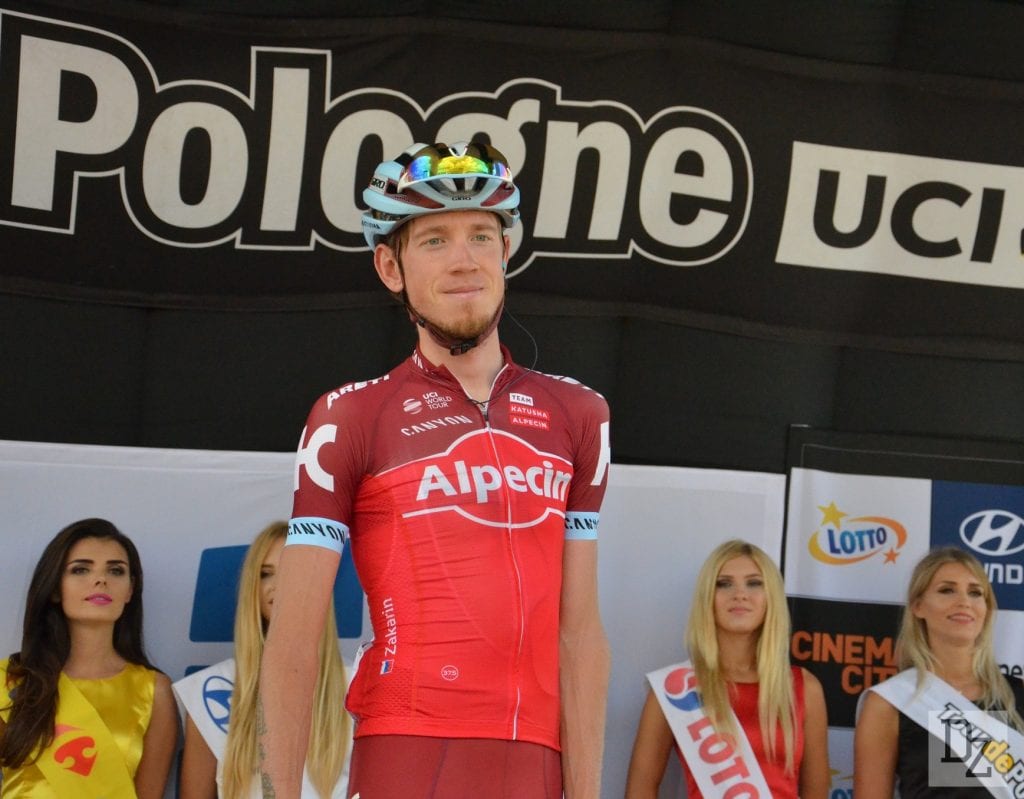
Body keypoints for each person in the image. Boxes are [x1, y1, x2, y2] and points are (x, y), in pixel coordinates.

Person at [259, 140, 612, 799]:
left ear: (506, 252)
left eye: (481, 235)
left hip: (535, 766)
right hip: (408, 754)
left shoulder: (579, 413)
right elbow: (295, 640)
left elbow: (580, 632)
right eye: (434, 240)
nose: (463, 259)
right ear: (390, 266)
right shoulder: (351, 415)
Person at [625, 539, 829, 799]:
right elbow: (639, 790)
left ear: (772, 598)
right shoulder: (676, 689)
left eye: (754, 583)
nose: (740, 594)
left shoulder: (804, 688)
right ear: (707, 597)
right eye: (724, 583)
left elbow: (816, 793)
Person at [0, 517, 177, 798]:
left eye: (116, 571)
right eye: (80, 569)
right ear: (55, 588)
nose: (100, 580)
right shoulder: (9, 681)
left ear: (130, 590)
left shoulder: (154, 691)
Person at [174, 521, 350, 798]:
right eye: (266, 574)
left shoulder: (358, 684)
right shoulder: (213, 687)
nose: (279, 585)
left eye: (294, 571)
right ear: (252, 587)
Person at [854, 546, 1024, 798]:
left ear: (986, 608)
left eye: (975, 593)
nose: (964, 602)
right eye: (947, 590)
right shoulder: (890, 702)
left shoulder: (1017, 693)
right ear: (918, 606)